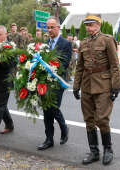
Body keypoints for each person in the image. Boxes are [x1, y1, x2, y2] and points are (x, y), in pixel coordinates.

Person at [73, 14, 120, 165]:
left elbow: (114, 65)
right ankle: (94, 152)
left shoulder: (107, 40)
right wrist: (76, 86)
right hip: (87, 85)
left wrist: (116, 86)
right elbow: (79, 67)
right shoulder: (84, 42)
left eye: (91, 24)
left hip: (103, 85)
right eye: (86, 25)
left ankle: (108, 149)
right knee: (89, 120)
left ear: (98, 25)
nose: (88, 28)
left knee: (102, 119)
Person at [37, 16, 72, 151]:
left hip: (58, 81)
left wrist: (50, 67)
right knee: (47, 109)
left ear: (58, 27)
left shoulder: (65, 44)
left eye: (52, 27)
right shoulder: (45, 44)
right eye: (48, 27)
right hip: (45, 81)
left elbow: (64, 63)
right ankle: (49, 139)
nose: (49, 30)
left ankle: (63, 128)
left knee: (53, 107)